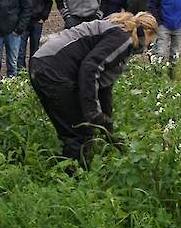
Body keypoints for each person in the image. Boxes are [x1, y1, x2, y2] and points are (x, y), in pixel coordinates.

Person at [29, 12, 158, 166]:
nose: (148, 46)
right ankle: (74, 182)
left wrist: (107, 128)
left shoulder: (118, 31)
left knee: (72, 129)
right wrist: (92, 112)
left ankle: (65, 172)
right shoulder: (123, 39)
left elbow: (103, 87)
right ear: (148, 32)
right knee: (80, 132)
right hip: (53, 70)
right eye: (151, 42)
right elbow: (90, 68)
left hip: (43, 64)